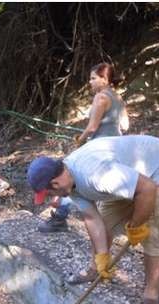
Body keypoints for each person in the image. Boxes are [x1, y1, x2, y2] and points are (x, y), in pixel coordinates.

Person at [27, 135, 159, 304]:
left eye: (50, 194)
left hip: (158, 170)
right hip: (129, 177)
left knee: (155, 236)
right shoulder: (71, 185)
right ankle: (96, 268)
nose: (53, 199)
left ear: (56, 184)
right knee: (107, 223)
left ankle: (151, 295)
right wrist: (102, 256)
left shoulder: (96, 174)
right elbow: (93, 218)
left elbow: (147, 189)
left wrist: (136, 225)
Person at [42, 63, 129, 233]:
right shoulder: (118, 98)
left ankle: (59, 214)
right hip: (115, 148)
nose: (90, 82)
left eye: (93, 78)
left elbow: (92, 127)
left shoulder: (101, 97)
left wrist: (79, 141)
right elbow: (125, 125)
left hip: (98, 148)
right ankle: (59, 205)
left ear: (104, 80)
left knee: (74, 177)